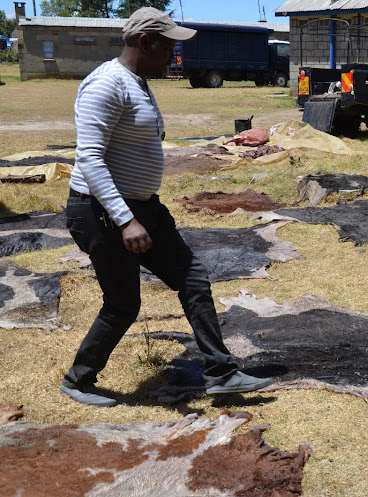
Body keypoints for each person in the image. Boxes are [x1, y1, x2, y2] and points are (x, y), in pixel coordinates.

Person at [61, 7, 272, 407]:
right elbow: (89, 158)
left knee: (193, 279)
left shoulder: (138, 82)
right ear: (146, 42)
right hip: (102, 212)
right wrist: (125, 220)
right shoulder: (106, 85)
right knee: (123, 304)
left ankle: (221, 373)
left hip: (142, 209)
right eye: (169, 46)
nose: (174, 54)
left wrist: (139, 211)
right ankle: (77, 380)